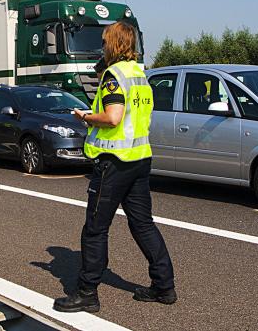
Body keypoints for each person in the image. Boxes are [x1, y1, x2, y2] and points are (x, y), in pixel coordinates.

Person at [54, 21, 176, 313]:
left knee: (95, 229)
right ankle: (164, 286)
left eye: (104, 41)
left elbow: (113, 117)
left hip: (114, 161)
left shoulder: (113, 76)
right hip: (140, 159)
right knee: (143, 224)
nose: (101, 46)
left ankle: (87, 292)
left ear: (113, 44)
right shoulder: (138, 74)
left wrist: (85, 117)